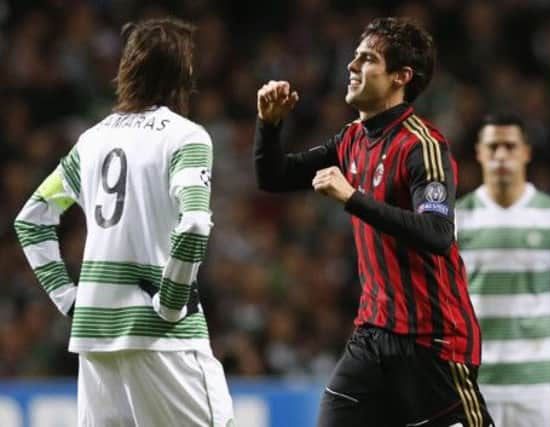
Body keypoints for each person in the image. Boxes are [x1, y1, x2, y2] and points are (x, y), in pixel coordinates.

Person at [254, 17, 493, 427]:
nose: (351, 66)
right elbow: (273, 177)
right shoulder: (350, 139)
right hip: (373, 334)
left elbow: (437, 234)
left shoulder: (422, 145)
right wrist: (270, 125)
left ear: (401, 76)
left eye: (367, 59)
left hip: (433, 341)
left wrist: (353, 198)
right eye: (354, 57)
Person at [14, 18, 234, 427]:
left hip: (95, 336)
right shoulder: (186, 138)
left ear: (127, 70)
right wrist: (170, 305)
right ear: (183, 74)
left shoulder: (92, 139)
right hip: (162, 339)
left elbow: (32, 220)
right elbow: (195, 224)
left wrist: (69, 300)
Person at [456, 112, 550, 426]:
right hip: (474, 381)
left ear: (526, 152)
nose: (501, 155)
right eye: (493, 146)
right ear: (479, 153)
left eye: (510, 146)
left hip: (539, 382)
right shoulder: (456, 221)